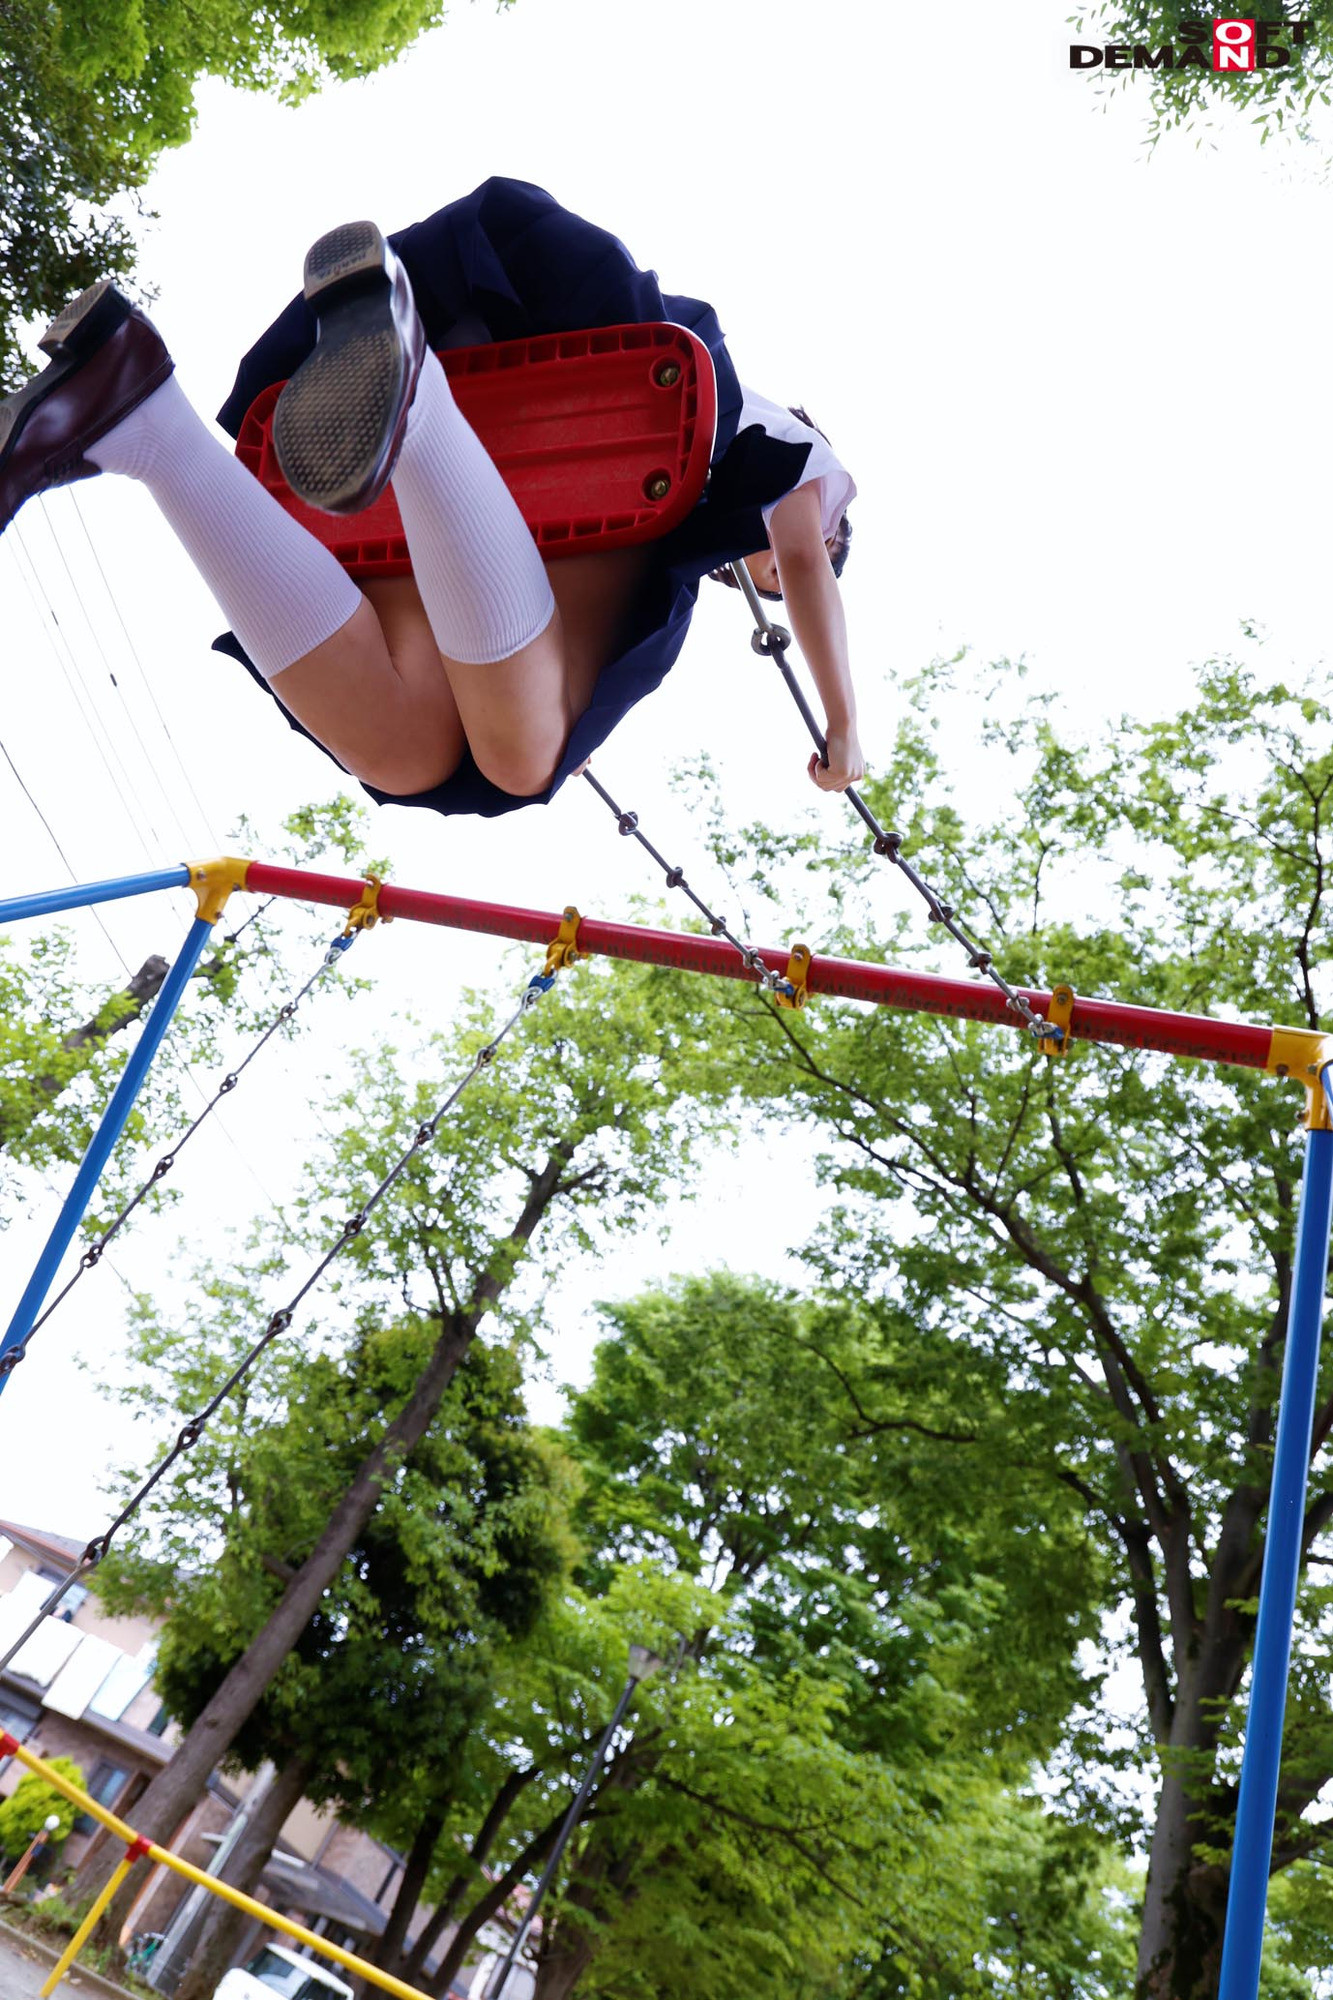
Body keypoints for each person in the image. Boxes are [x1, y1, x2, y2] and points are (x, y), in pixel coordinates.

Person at [0, 178, 863, 820]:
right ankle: (416, 402)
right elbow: (800, 559)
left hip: (470, 441)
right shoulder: (801, 458)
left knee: (409, 748)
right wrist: (843, 726)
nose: (763, 575)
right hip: (592, 396)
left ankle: (142, 419)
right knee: (523, 758)